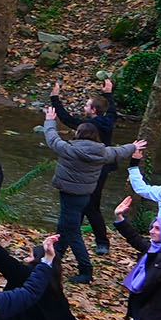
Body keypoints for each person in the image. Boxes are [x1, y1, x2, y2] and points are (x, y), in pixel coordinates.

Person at [42, 103, 144, 283]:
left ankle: (86, 270)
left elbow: (52, 138)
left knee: (72, 233)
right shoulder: (103, 153)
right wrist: (133, 146)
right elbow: (120, 151)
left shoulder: (69, 149)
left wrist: (50, 121)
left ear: (78, 134)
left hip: (69, 196)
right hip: (84, 197)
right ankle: (53, 259)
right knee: (63, 227)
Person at [51, 77, 120, 258]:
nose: (84, 108)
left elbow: (66, 119)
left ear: (94, 110)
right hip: (101, 166)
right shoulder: (108, 119)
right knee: (85, 206)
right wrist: (108, 93)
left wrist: (55, 99)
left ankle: (99, 243)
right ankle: (71, 242)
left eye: (87, 106)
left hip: (94, 168)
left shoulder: (91, 125)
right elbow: (111, 109)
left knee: (89, 207)